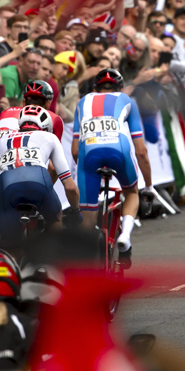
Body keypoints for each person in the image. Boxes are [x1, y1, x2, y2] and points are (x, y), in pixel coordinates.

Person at [0, 79, 64, 250]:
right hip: (28, 175)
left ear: (23, 101)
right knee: (53, 217)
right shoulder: (53, 119)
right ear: (49, 102)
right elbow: (53, 167)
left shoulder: (5, 113)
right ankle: (48, 262)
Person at [72, 69, 152, 265]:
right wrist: (149, 186)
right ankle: (125, 236)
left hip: (89, 156)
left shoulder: (82, 103)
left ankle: (84, 265)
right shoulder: (127, 100)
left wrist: (90, 175)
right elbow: (141, 151)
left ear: (94, 88)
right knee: (131, 192)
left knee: (89, 219)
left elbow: (75, 151)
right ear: (121, 88)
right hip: (119, 152)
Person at [0, 105, 81, 245]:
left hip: (9, 191)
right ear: (45, 126)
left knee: (12, 247)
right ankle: (48, 260)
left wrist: (9, 207)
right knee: (55, 218)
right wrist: (76, 211)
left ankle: (14, 260)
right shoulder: (50, 137)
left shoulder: (0, 141)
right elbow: (70, 186)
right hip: (39, 185)